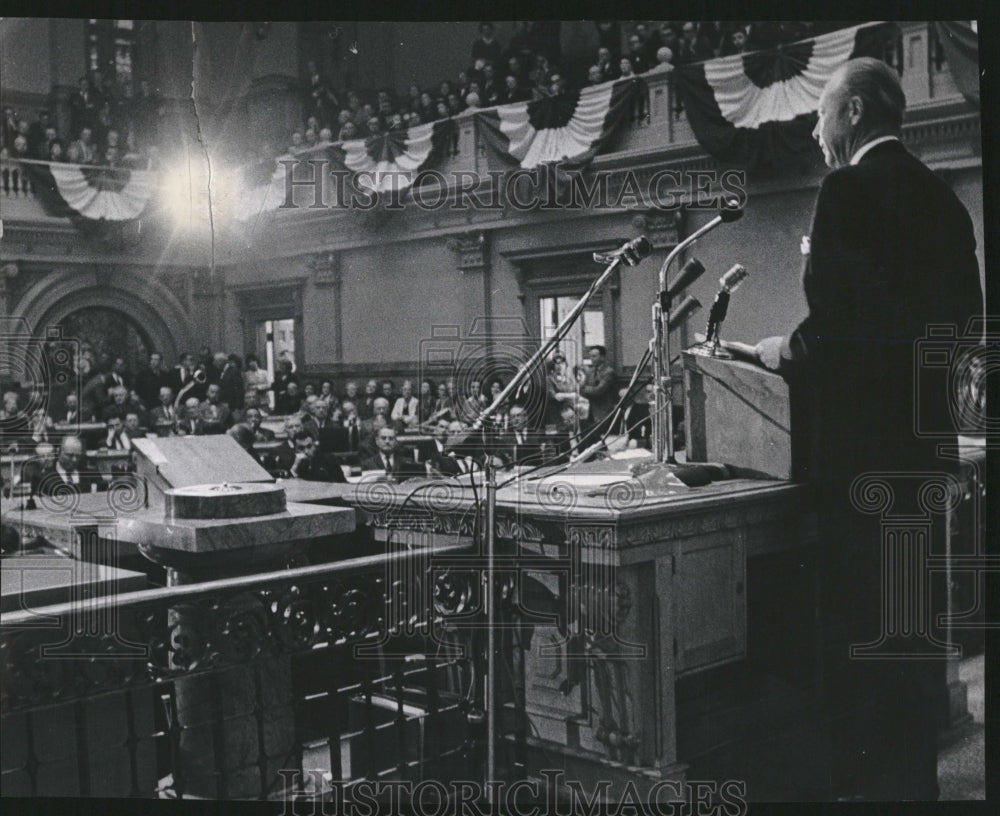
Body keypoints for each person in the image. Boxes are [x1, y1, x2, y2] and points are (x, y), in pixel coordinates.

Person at [751, 58, 983, 801]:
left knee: (860, 640)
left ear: (852, 112)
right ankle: (914, 788)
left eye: (820, 111)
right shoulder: (945, 201)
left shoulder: (847, 190)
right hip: (922, 458)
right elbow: (961, 325)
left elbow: (845, 327)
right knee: (912, 639)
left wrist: (781, 350)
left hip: (858, 468)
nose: (815, 128)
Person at [578, 345, 617, 439]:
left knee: (599, 439)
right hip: (589, 412)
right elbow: (582, 392)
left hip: (603, 413)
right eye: (590, 356)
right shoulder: (590, 372)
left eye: (594, 356)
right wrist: (584, 388)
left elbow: (598, 391)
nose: (591, 359)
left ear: (602, 357)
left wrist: (583, 387)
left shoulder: (609, 372)